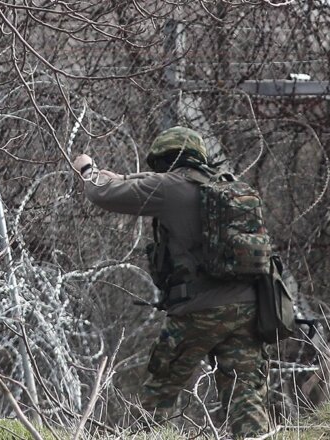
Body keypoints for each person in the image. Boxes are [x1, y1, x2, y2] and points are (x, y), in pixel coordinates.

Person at [73, 126, 269, 438]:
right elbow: (134, 182)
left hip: (197, 309)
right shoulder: (228, 187)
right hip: (247, 307)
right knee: (245, 399)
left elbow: (103, 193)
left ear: (166, 160)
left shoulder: (168, 187)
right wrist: (121, 177)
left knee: (159, 392)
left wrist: (87, 169)